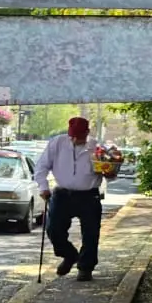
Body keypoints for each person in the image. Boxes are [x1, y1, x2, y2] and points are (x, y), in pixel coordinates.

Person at [33, 116, 103, 281]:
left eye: (79, 136)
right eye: (72, 135)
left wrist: (109, 172)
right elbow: (41, 166)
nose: (75, 139)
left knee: (91, 233)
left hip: (89, 195)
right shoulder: (57, 143)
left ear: (87, 133)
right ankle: (70, 254)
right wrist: (43, 187)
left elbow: (109, 173)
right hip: (63, 194)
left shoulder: (95, 147)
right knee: (53, 229)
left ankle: (86, 268)